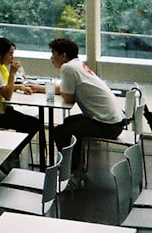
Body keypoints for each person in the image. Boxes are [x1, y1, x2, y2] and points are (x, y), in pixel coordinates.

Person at [35, 37, 124, 187]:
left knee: (60, 132)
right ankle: (77, 169)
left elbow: (68, 97)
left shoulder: (67, 68)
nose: (51, 58)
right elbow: (65, 90)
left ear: (63, 55)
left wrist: (62, 91)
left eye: (53, 53)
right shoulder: (77, 65)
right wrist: (38, 88)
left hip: (107, 124)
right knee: (69, 124)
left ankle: (72, 173)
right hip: (115, 121)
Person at [0, 37, 42, 170]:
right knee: (33, 124)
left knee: (30, 122)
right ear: (0, 55)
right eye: (10, 54)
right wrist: (13, 74)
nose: (12, 57)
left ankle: (10, 151)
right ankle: (12, 153)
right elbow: (7, 95)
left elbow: (3, 88)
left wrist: (19, 87)